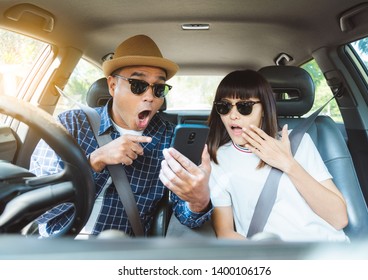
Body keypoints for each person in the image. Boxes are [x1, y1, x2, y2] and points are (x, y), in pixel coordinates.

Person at [30, 34, 212, 237]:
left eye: (159, 88)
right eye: (138, 85)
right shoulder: (69, 125)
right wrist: (94, 162)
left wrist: (198, 201)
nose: (150, 96)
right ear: (112, 86)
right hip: (59, 249)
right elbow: (38, 211)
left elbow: (185, 216)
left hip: (121, 253)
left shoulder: (168, 139)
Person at [207, 69, 349, 242]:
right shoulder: (219, 158)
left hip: (328, 251)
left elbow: (339, 218)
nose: (233, 115)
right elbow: (225, 232)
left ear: (264, 109)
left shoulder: (299, 142)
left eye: (244, 106)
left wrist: (288, 164)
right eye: (224, 106)